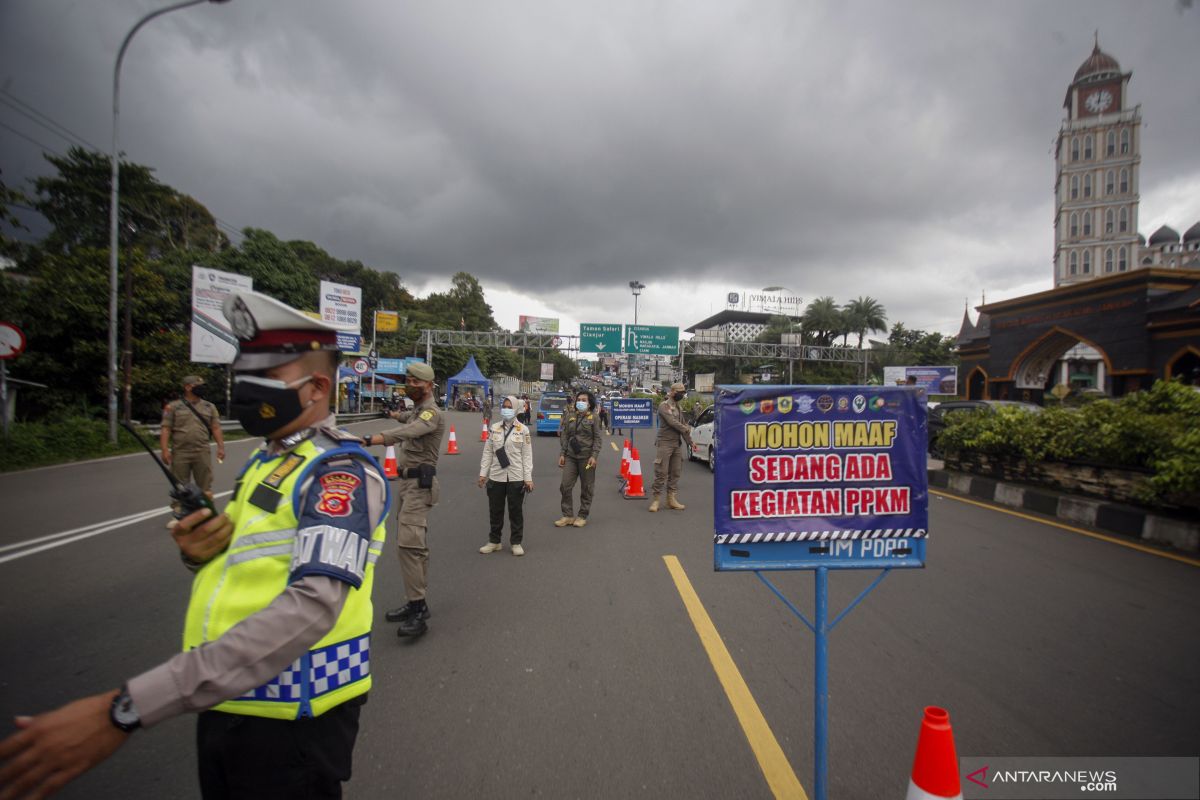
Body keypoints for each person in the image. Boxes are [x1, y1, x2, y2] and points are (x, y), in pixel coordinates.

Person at [0, 290, 389, 799]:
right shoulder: (267, 461)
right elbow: (250, 568)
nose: (242, 388)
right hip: (228, 703)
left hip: (293, 719)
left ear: (316, 387)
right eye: (240, 373)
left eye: (262, 377)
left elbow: (312, 605)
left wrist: (128, 707)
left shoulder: (339, 472)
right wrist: (201, 551)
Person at [366, 362, 444, 637]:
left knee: (409, 545)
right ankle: (415, 602)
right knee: (412, 547)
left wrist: (373, 439)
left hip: (419, 486)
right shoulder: (419, 411)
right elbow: (408, 420)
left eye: (414, 382)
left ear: (428, 386)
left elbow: (410, 431)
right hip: (407, 484)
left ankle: (419, 610)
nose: (409, 386)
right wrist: (394, 414)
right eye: (407, 381)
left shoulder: (432, 413)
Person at [477, 396, 534, 555]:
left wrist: (528, 478)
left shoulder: (523, 430)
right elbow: (488, 452)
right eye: (504, 406)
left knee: (515, 511)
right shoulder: (494, 428)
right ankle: (494, 541)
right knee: (495, 511)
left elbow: (527, 456)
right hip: (496, 476)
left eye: (510, 407)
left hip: (516, 476)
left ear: (516, 409)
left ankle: (516, 542)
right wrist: (483, 473)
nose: (506, 409)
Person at [160, 374, 225, 512]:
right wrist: (165, 450)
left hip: (202, 451)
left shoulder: (209, 407)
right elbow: (166, 428)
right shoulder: (173, 407)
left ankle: (206, 511)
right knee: (180, 485)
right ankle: (179, 512)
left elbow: (216, 428)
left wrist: (221, 447)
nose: (202, 389)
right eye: (198, 386)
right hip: (180, 452)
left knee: (205, 484)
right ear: (188, 387)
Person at [556, 389, 602, 528]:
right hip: (570, 456)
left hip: (586, 458)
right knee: (565, 486)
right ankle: (568, 515)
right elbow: (565, 436)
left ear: (589, 404)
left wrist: (594, 456)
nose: (580, 402)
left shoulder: (594, 418)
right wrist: (562, 454)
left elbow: (598, 439)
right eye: (579, 400)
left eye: (584, 400)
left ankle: (582, 515)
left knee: (587, 488)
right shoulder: (571, 415)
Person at [649, 382, 693, 513]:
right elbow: (672, 422)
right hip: (665, 443)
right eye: (680, 392)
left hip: (676, 443)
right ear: (672, 392)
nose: (682, 394)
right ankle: (656, 500)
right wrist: (685, 428)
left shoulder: (678, 408)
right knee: (661, 472)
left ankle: (671, 499)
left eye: (683, 392)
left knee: (675, 472)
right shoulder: (664, 406)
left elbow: (683, 428)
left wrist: (690, 443)